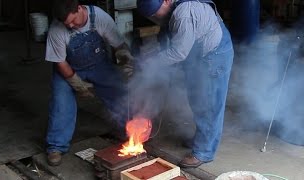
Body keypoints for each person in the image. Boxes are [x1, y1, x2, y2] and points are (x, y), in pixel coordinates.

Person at [136, 0, 234, 168]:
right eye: (151, 16)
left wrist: (152, 63)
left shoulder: (184, 14)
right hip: (198, 54)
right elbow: (168, 40)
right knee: (196, 98)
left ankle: (204, 151)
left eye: (155, 13)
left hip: (214, 55)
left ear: (166, 1)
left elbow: (178, 52)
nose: (155, 18)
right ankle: (202, 137)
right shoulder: (170, 11)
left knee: (208, 104)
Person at [45, 0, 133, 166]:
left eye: (73, 21)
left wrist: (124, 56)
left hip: (98, 65)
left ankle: (130, 131)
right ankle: (56, 146)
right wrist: (77, 84)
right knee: (61, 104)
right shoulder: (56, 29)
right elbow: (60, 63)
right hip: (68, 68)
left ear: (79, 8)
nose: (70, 26)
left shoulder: (99, 17)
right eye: (67, 23)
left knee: (119, 93)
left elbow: (118, 43)